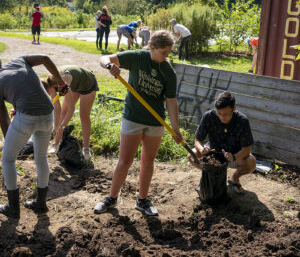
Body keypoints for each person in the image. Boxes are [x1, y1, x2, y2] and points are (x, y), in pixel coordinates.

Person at [94, 30, 183, 216]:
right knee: (125, 161)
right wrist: (110, 66)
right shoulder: (138, 57)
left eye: (169, 53)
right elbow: (104, 58)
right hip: (132, 117)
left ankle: (142, 201)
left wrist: (175, 128)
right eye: (163, 52)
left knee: (148, 162)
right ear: (152, 47)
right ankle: (111, 198)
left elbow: (171, 101)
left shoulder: (168, 72)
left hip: (155, 122)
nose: (167, 56)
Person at [0, 55, 69, 218]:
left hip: (26, 117)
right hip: (47, 114)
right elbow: (45, 58)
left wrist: (10, 141)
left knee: (8, 159)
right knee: (41, 157)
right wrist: (61, 83)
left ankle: (13, 207)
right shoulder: (18, 61)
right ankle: (40, 203)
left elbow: (3, 119)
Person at [188, 91, 256, 194]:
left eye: (225, 114)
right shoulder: (209, 116)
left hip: (234, 155)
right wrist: (202, 149)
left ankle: (235, 179)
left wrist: (234, 157)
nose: (221, 117)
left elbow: (246, 150)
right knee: (191, 156)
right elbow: (197, 140)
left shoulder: (242, 121)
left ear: (233, 109)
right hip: (213, 153)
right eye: (219, 113)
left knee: (251, 162)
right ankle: (209, 176)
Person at [44, 65, 99, 161]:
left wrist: (62, 127)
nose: (52, 94)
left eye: (53, 92)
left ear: (56, 86)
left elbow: (72, 109)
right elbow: (57, 107)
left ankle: (86, 149)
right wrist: (56, 126)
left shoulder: (63, 83)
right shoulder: (50, 85)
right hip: (75, 84)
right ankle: (55, 144)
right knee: (63, 111)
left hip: (87, 82)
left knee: (84, 116)